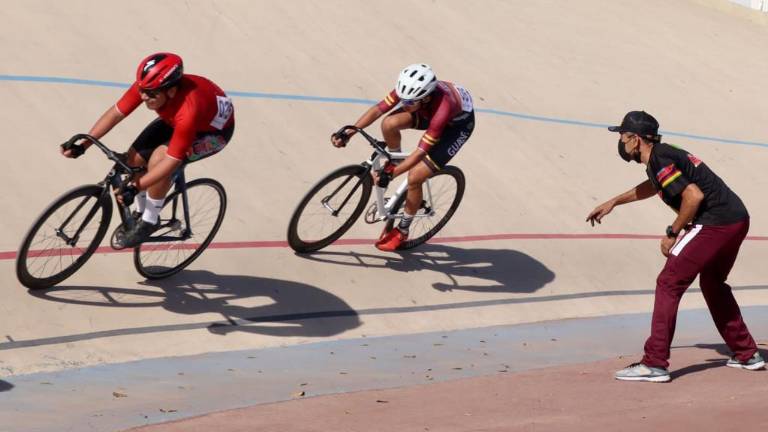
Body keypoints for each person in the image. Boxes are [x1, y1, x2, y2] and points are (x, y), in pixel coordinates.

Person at [586, 110, 764, 382]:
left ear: (635, 140)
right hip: (736, 219)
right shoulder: (661, 157)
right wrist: (614, 202)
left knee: (669, 282)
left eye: (622, 136)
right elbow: (653, 185)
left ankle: (655, 363)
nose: (621, 142)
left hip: (715, 222)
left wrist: (673, 232)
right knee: (713, 283)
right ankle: (747, 354)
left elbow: (693, 196)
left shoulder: (660, 158)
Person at [61, 52, 235, 248]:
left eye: (150, 94)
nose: (143, 97)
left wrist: (136, 187)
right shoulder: (151, 87)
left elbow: (171, 161)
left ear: (170, 91)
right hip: (175, 118)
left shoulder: (188, 110)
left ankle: (150, 220)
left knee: (158, 160)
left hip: (211, 134)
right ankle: (140, 211)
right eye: (142, 90)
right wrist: (84, 144)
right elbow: (116, 114)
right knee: (132, 159)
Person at [331, 63, 475, 251]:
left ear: (425, 98)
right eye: (402, 100)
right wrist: (351, 131)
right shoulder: (409, 90)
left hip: (456, 127)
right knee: (389, 123)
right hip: (427, 111)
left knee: (415, 176)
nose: (403, 104)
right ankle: (396, 159)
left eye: (408, 102)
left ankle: (403, 230)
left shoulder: (443, 108)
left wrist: (392, 174)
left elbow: (421, 151)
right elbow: (378, 110)